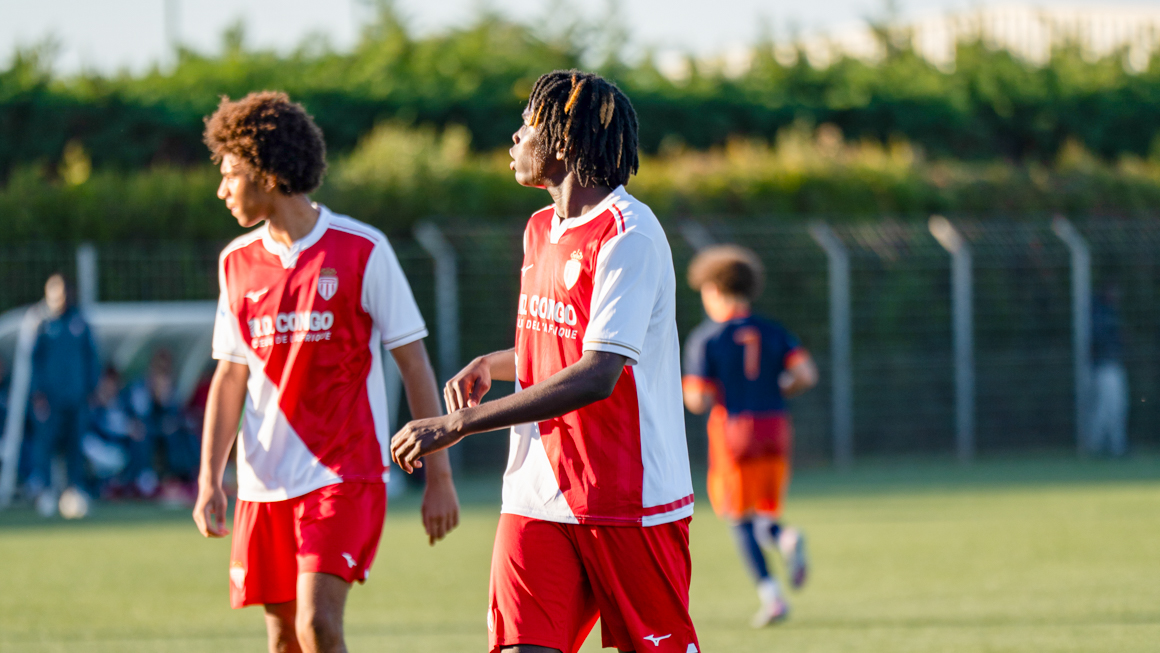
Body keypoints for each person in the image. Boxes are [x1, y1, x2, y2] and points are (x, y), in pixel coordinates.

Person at [391, 70, 700, 653]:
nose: (514, 139)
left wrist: (456, 423)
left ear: (562, 142)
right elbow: (559, 347)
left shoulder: (629, 234)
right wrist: (496, 361)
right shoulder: (539, 228)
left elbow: (599, 372)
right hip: (535, 494)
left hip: (628, 500)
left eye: (527, 128)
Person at [192, 91, 460, 653]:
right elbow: (230, 379)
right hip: (263, 480)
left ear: (266, 173)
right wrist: (210, 477)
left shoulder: (363, 249)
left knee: (318, 624)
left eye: (231, 174)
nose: (222, 189)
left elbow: (413, 364)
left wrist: (439, 478)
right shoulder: (235, 262)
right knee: (284, 639)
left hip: (344, 470)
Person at [681, 245, 819, 627]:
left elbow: (697, 399)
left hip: (733, 430)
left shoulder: (707, 339)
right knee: (763, 511)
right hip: (774, 425)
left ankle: (772, 596)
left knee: (738, 518)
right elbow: (806, 374)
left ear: (714, 290)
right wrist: (777, 388)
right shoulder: (774, 331)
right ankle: (784, 536)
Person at [26, 273, 100, 518]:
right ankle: (45, 493)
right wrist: (37, 393)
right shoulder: (41, 324)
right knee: (45, 447)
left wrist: (91, 389)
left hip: (76, 400)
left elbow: (92, 358)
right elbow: (34, 362)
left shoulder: (80, 322)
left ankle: (75, 492)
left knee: (75, 448)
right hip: (50, 401)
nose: (61, 298)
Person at [1090, 283, 1128, 456]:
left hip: (1113, 366)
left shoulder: (1110, 314)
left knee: (1117, 408)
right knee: (1106, 410)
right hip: (1104, 368)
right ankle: (1097, 446)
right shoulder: (1101, 315)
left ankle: (1115, 446)